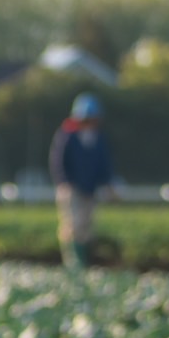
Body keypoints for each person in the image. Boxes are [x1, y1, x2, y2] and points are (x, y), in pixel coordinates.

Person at [48, 92, 115, 269]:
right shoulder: (67, 135)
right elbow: (58, 161)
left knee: (87, 226)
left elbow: (104, 163)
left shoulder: (97, 138)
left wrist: (107, 183)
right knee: (73, 225)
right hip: (71, 188)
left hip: (89, 188)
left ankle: (84, 262)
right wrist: (64, 182)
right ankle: (73, 263)